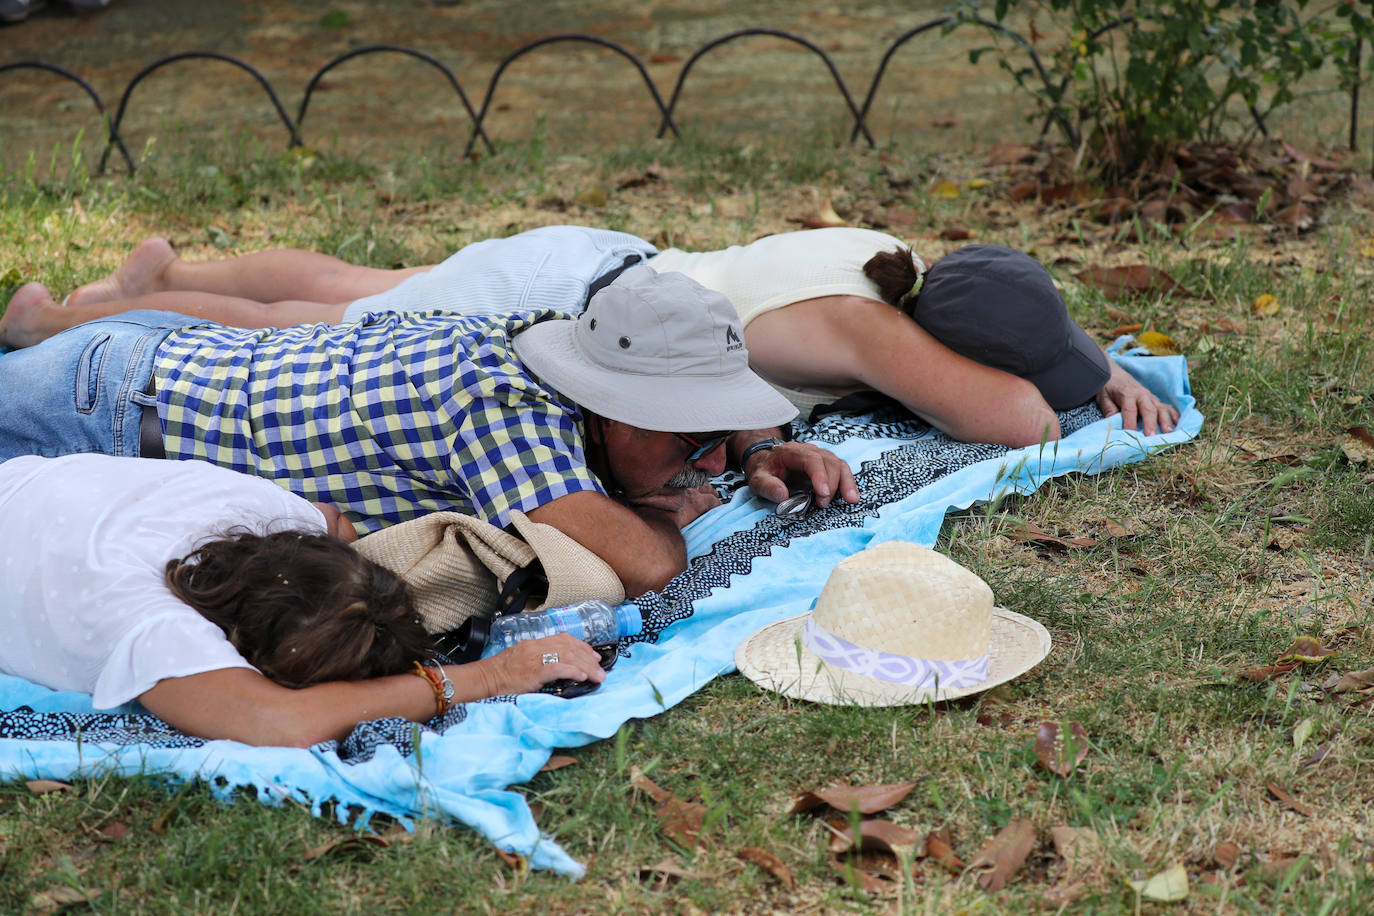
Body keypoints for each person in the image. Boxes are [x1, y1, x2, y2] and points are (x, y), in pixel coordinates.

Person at [0, 265, 858, 598]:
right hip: (101, 412)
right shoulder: (504, 409)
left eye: (711, 434)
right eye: (683, 439)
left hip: (155, 361)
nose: (701, 462)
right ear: (607, 406)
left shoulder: (573, 341)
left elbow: (692, 403)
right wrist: (655, 518)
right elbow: (648, 566)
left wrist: (755, 445)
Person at [0, 226, 1179, 443]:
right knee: (314, 326)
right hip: (566, 310)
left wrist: (1085, 352)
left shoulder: (899, 258)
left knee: (353, 284)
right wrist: (1075, 385)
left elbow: (1005, 306)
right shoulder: (869, 329)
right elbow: (1017, 418)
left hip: (593, 261)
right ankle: (64, 321)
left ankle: (164, 272)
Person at [0, 453, 608, 747]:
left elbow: (334, 528)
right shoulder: (154, 624)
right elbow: (280, 722)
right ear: (243, 653)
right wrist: (490, 676)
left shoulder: (252, 511)